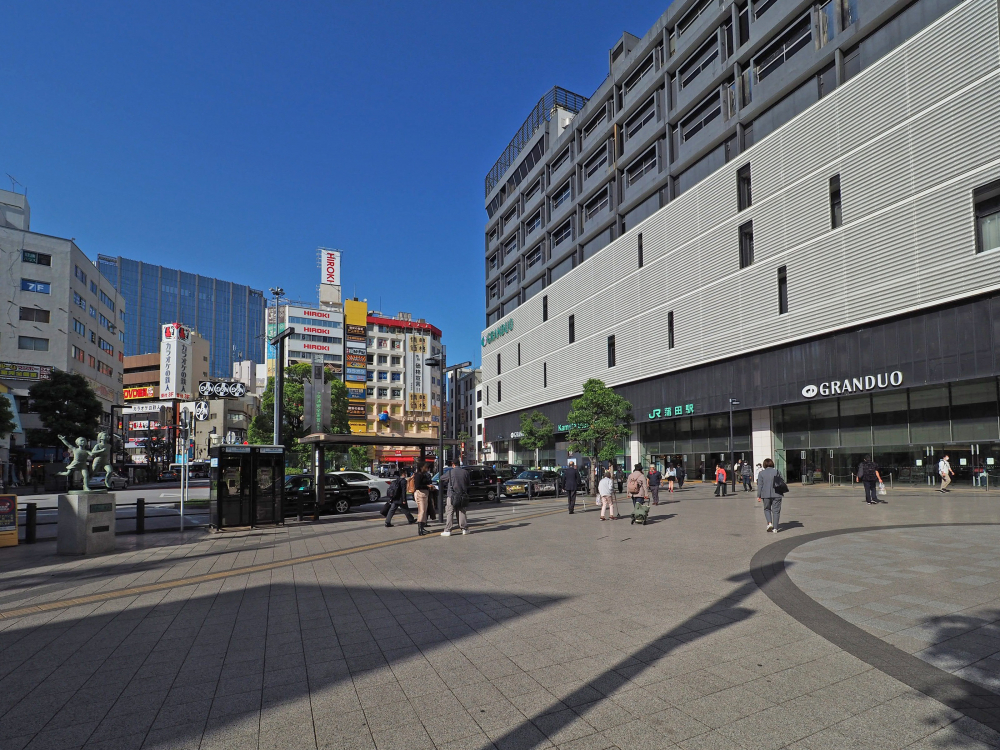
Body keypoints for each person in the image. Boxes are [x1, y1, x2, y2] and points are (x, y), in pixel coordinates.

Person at [442, 461, 471, 536]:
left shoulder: (450, 472)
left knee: (450, 512)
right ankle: (464, 529)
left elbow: (442, 478)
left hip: (451, 495)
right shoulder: (465, 472)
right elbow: (468, 483)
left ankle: (448, 530)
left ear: (453, 464)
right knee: (462, 511)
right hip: (462, 495)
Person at [757, 458, 785, 532]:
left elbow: (760, 485)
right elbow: (782, 481)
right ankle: (775, 528)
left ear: (764, 465)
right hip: (777, 494)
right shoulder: (777, 471)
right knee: (776, 511)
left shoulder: (761, 473)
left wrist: (758, 495)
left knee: (767, 509)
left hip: (765, 494)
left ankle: (769, 523)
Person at [412, 462, 434, 535]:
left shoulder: (423, 475)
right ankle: (420, 529)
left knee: (424, 511)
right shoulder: (418, 475)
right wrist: (427, 486)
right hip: (420, 494)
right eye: (426, 467)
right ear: (422, 467)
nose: (427, 469)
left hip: (425, 493)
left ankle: (422, 527)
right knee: (422, 511)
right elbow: (417, 486)